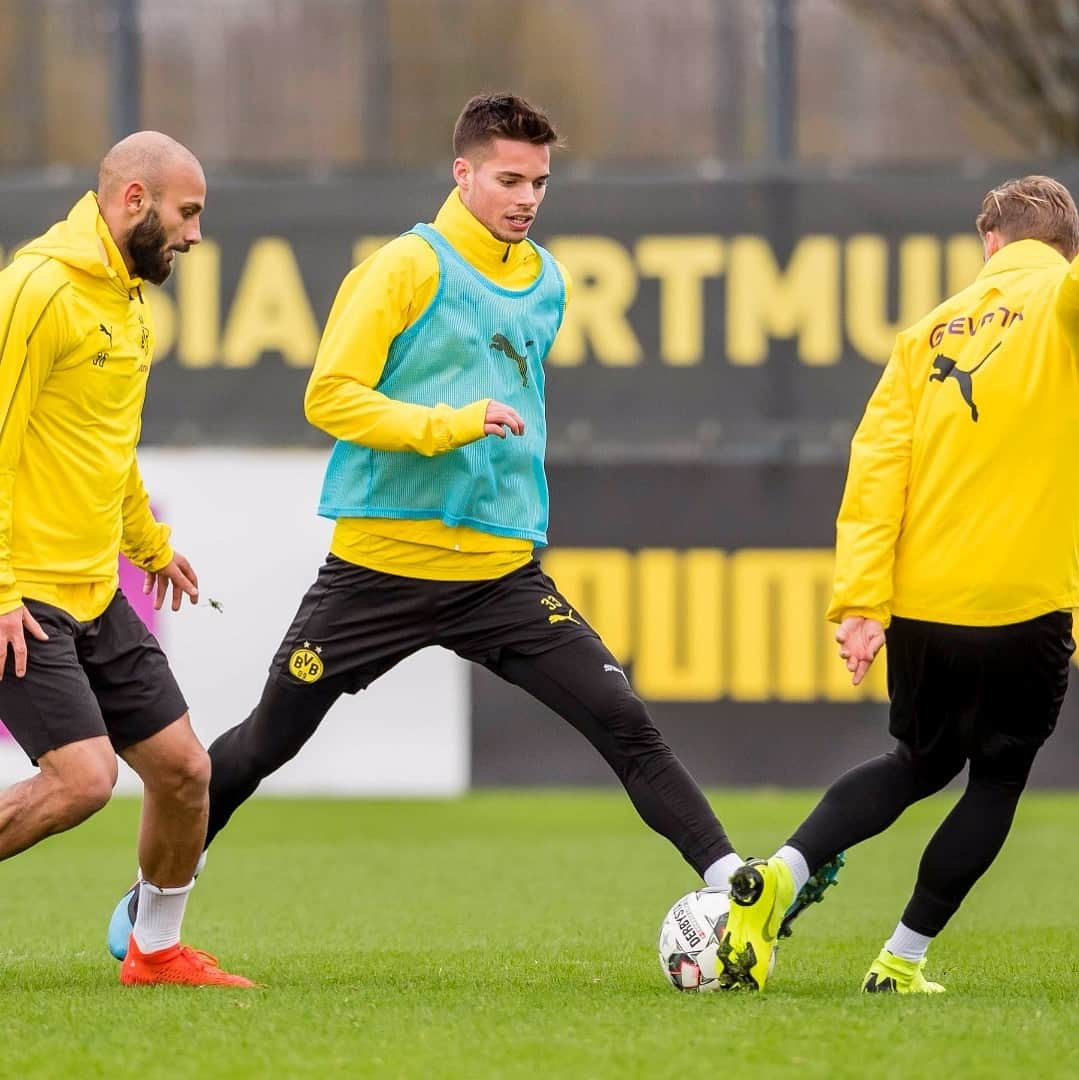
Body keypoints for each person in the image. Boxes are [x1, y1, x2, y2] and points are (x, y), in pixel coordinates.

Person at [108, 93, 840, 959]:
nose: (527, 197)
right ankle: (150, 906)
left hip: (499, 576)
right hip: (380, 566)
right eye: (508, 179)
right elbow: (328, 397)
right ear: (462, 174)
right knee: (267, 740)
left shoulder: (550, 280)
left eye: (540, 181)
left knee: (622, 716)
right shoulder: (403, 268)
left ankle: (733, 885)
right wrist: (450, 422)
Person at [717, 175, 1079, 994]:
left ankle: (780, 871)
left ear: (989, 242)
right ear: (1065, 246)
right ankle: (900, 960)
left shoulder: (924, 334)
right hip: (1024, 603)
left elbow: (875, 474)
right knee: (996, 776)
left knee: (917, 760)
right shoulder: (1064, 301)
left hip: (921, 606)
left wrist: (859, 604)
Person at [0, 132, 252, 988]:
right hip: (21, 592)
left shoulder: (131, 301)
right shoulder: (36, 289)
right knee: (81, 781)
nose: (194, 234)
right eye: (188, 213)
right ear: (135, 200)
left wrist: (150, 546)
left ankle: (155, 951)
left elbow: (106, 447)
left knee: (185, 772)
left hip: (95, 589)